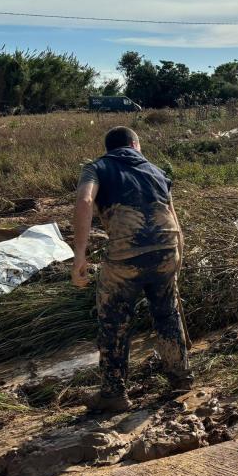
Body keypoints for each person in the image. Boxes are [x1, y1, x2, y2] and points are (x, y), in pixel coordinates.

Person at [72, 126, 192, 412]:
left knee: (113, 318)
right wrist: (178, 258)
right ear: (135, 145)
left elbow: (86, 200)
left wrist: (79, 256)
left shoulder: (96, 167)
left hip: (127, 254)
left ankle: (113, 394)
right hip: (168, 248)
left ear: (109, 148)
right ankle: (181, 378)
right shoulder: (156, 171)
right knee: (167, 311)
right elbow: (172, 214)